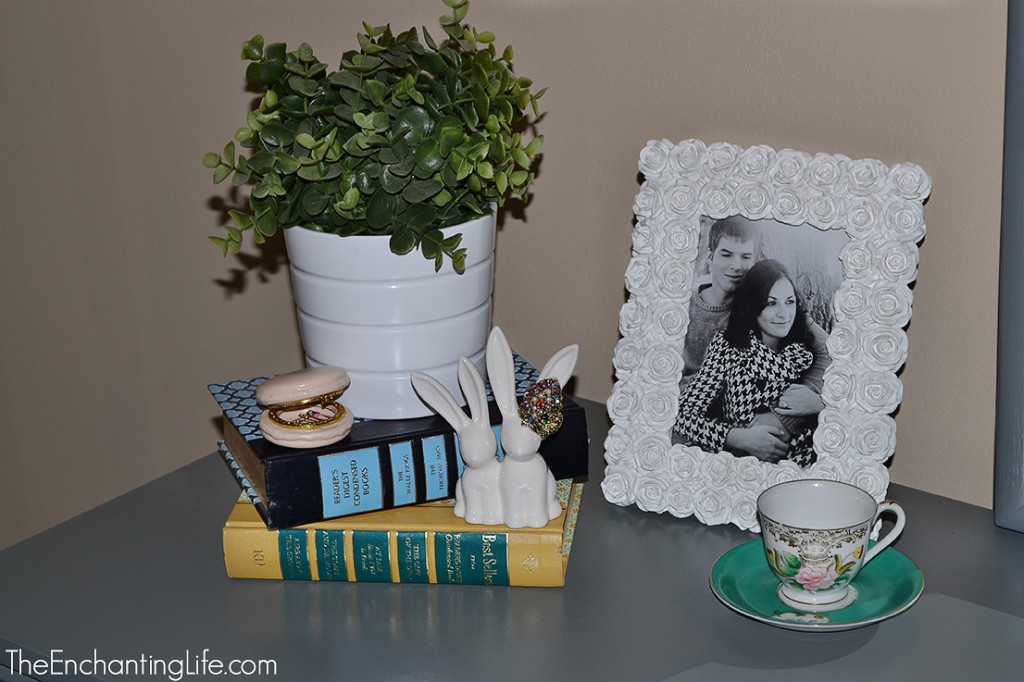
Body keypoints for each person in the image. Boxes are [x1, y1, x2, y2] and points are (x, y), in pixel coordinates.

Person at [675, 217, 830, 458]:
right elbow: (681, 408)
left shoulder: (776, 300)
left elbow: (829, 349)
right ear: (710, 256)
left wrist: (791, 413)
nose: (736, 266)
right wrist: (736, 436)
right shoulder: (682, 310)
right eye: (726, 254)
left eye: (745, 257)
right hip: (713, 431)